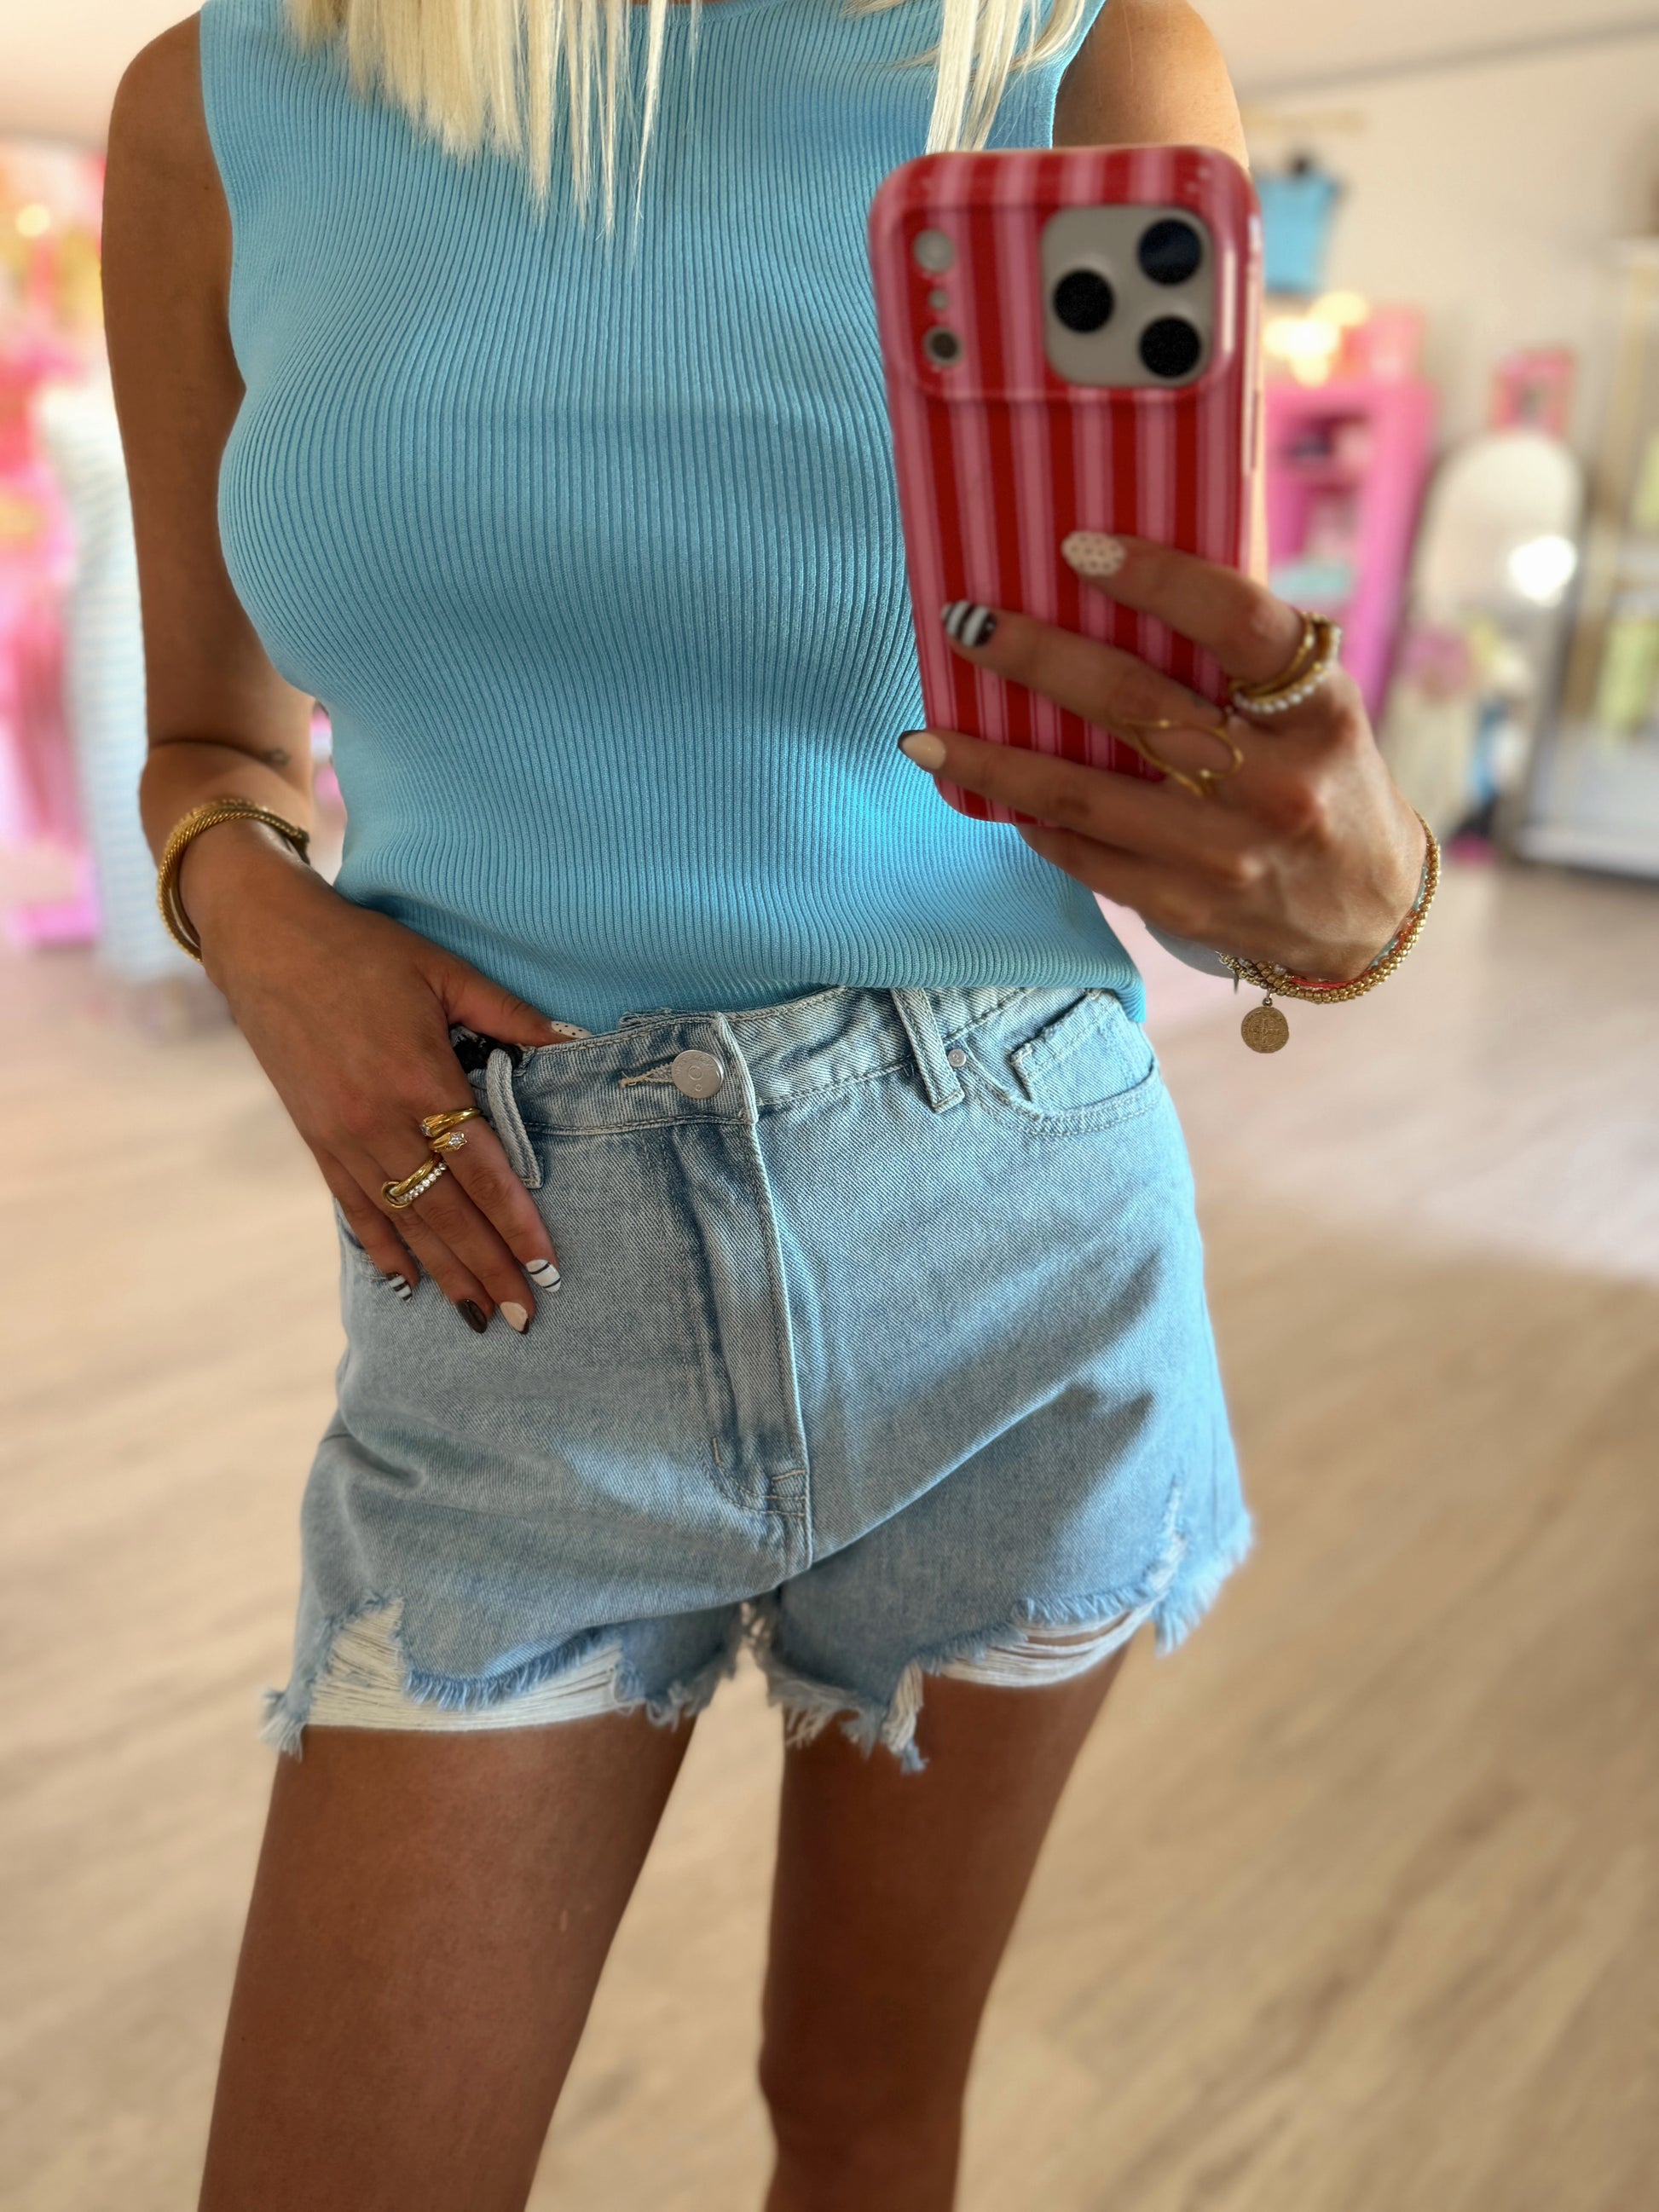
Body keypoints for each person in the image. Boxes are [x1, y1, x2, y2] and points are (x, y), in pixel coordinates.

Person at [102, 0, 1428, 2204]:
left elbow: (1176, 751)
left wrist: (1346, 892)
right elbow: (204, 746)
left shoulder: (1082, 49)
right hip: (512, 1265)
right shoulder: (211, 105)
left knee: (867, 2117)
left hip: (1012, 1246)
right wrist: (249, 914)